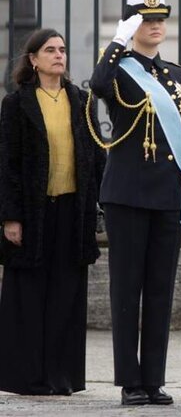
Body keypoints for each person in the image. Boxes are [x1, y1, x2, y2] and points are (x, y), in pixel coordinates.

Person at [89, 0, 181, 406]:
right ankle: (129, 381)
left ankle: (153, 379)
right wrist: (117, 43)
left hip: (167, 194)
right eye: (145, 20)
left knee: (160, 290)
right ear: (131, 26)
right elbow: (98, 85)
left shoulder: (176, 74)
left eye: (160, 20)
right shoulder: (118, 69)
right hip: (127, 194)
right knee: (127, 289)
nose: (155, 26)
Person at [0, 29, 104, 395]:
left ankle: (64, 377)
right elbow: (7, 163)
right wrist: (10, 217)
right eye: (50, 50)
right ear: (33, 59)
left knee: (66, 295)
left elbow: (95, 156)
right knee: (29, 295)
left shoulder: (81, 100)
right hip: (33, 213)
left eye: (62, 49)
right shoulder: (16, 104)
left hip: (72, 211)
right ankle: (28, 377)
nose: (58, 55)